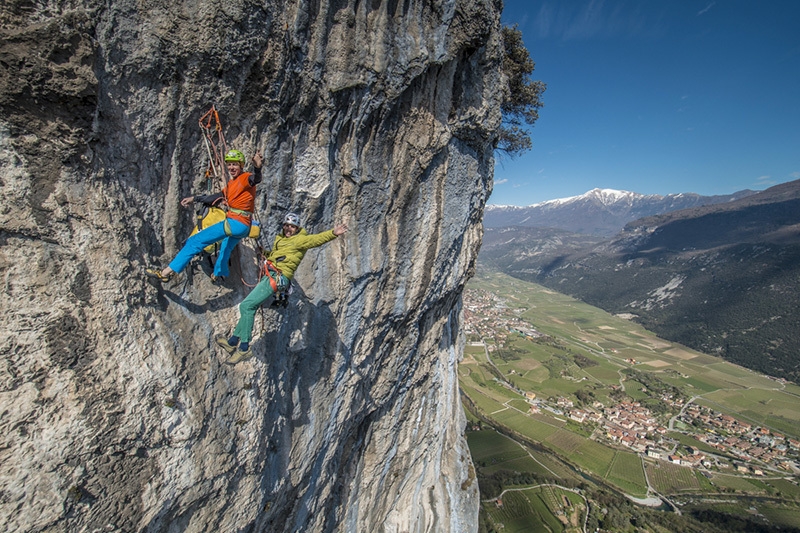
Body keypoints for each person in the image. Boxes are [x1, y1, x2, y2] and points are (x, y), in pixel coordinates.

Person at [216, 212, 348, 364]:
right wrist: (264, 254)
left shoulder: (300, 240)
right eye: (286, 225)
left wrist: (333, 233)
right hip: (272, 275)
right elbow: (276, 255)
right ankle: (232, 342)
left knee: (247, 306)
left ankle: (244, 348)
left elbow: (315, 240)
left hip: (278, 277)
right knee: (248, 307)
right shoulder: (281, 239)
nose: (288, 229)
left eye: (292, 226)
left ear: (297, 228)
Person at [146, 150, 263, 283]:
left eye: (235, 164)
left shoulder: (245, 178)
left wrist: (257, 167)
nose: (231, 168)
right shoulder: (231, 184)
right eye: (229, 165)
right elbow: (216, 197)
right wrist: (194, 198)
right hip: (244, 227)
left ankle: (166, 272)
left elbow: (255, 179)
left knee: (195, 242)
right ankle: (219, 273)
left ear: (241, 166)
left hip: (235, 222)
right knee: (226, 247)